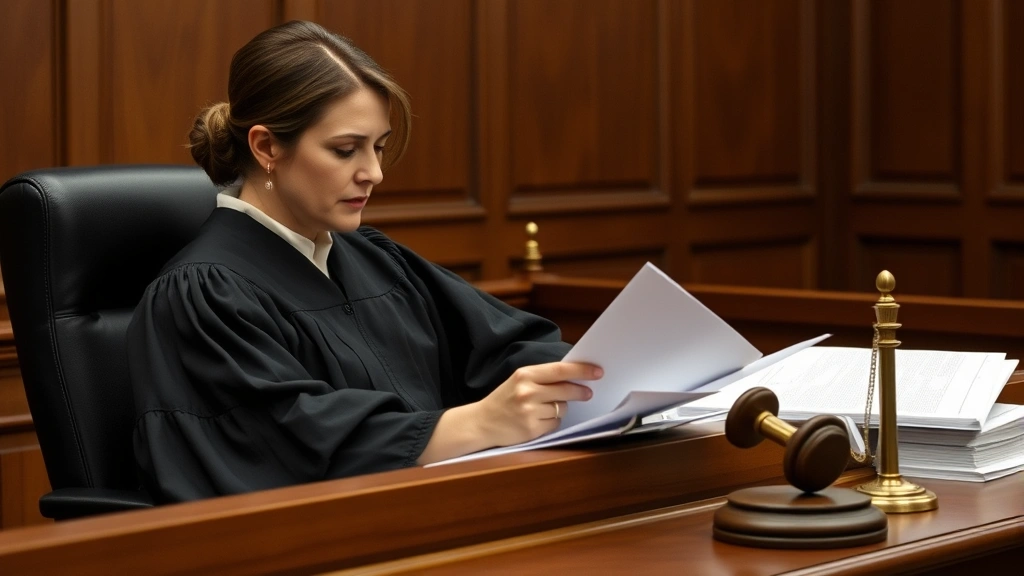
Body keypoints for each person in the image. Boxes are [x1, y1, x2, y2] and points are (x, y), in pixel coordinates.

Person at [127, 20, 601, 503]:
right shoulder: (201, 295)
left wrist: (601, 385)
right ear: (267, 147)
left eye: (378, 146)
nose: (373, 172)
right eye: (345, 150)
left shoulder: (374, 258)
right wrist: (476, 423)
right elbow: (288, 446)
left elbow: (502, 345)